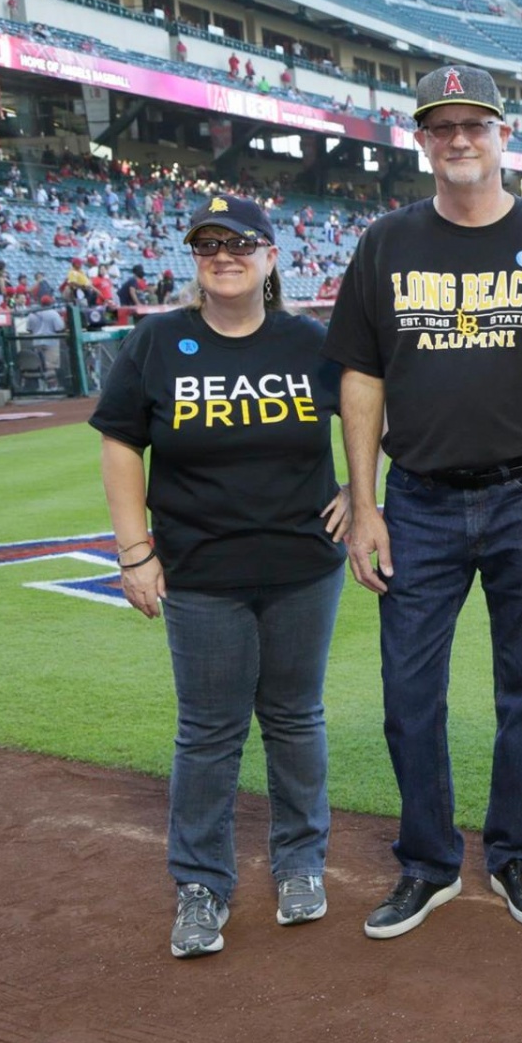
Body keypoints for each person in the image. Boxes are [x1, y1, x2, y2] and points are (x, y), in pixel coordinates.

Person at [324, 64, 522, 940]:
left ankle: (516, 856)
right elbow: (360, 378)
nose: (458, 141)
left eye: (474, 125)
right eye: (441, 128)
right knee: (409, 692)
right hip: (419, 501)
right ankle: (429, 862)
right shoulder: (386, 242)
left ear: (503, 135)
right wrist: (363, 504)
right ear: (421, 142)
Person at [90, 194, 350, 959]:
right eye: (208, 244)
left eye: (241, 243)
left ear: (271, 257)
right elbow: (118, 443)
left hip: (303, 565)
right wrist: (133, 550)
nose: (224, 254)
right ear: (194, 259)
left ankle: (300, 862)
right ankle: (202, 882)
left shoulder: (311, 343)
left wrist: (364, 497)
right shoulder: (158, 341)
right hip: (201, 571)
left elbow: (376, 419)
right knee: (208, 731)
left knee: (296, 717)